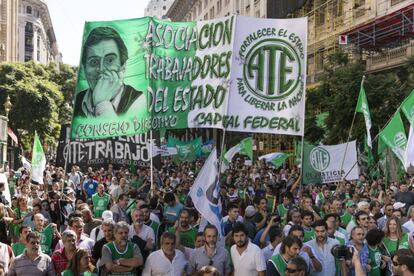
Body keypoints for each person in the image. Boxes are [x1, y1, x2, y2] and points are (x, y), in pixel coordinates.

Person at [73, 26, 143, 118]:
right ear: (85, 68)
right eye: (94, 62)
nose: (101, 69)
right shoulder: (77, 100)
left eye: (110, 60)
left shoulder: (138, 100)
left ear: (123, 66)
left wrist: (102, 104)